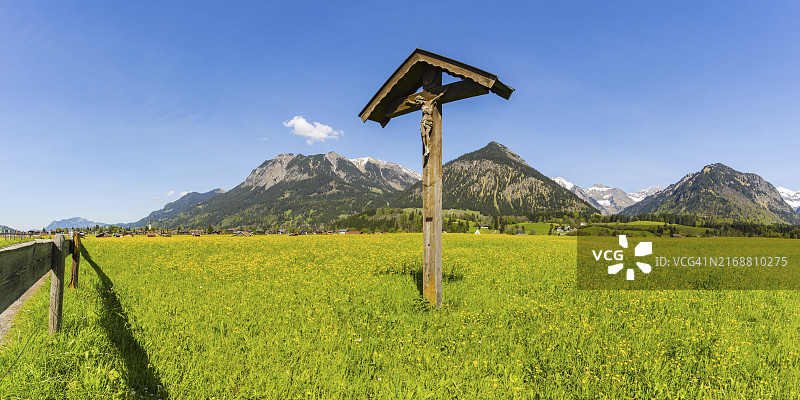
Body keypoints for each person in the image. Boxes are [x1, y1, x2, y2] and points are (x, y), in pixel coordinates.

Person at [407, 88, 447, 158]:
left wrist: (445, 90)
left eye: (418, 101)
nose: (417, 103)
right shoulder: (421, 106)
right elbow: (414, 103)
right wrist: (409, 101)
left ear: (421, 99)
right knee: (423, 135)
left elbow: (438, 97)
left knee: (426, 134)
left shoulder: (430, 102)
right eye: (417, 102)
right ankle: (426, 148)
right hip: (423, 121)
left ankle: (428, 148)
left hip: (429, 120)